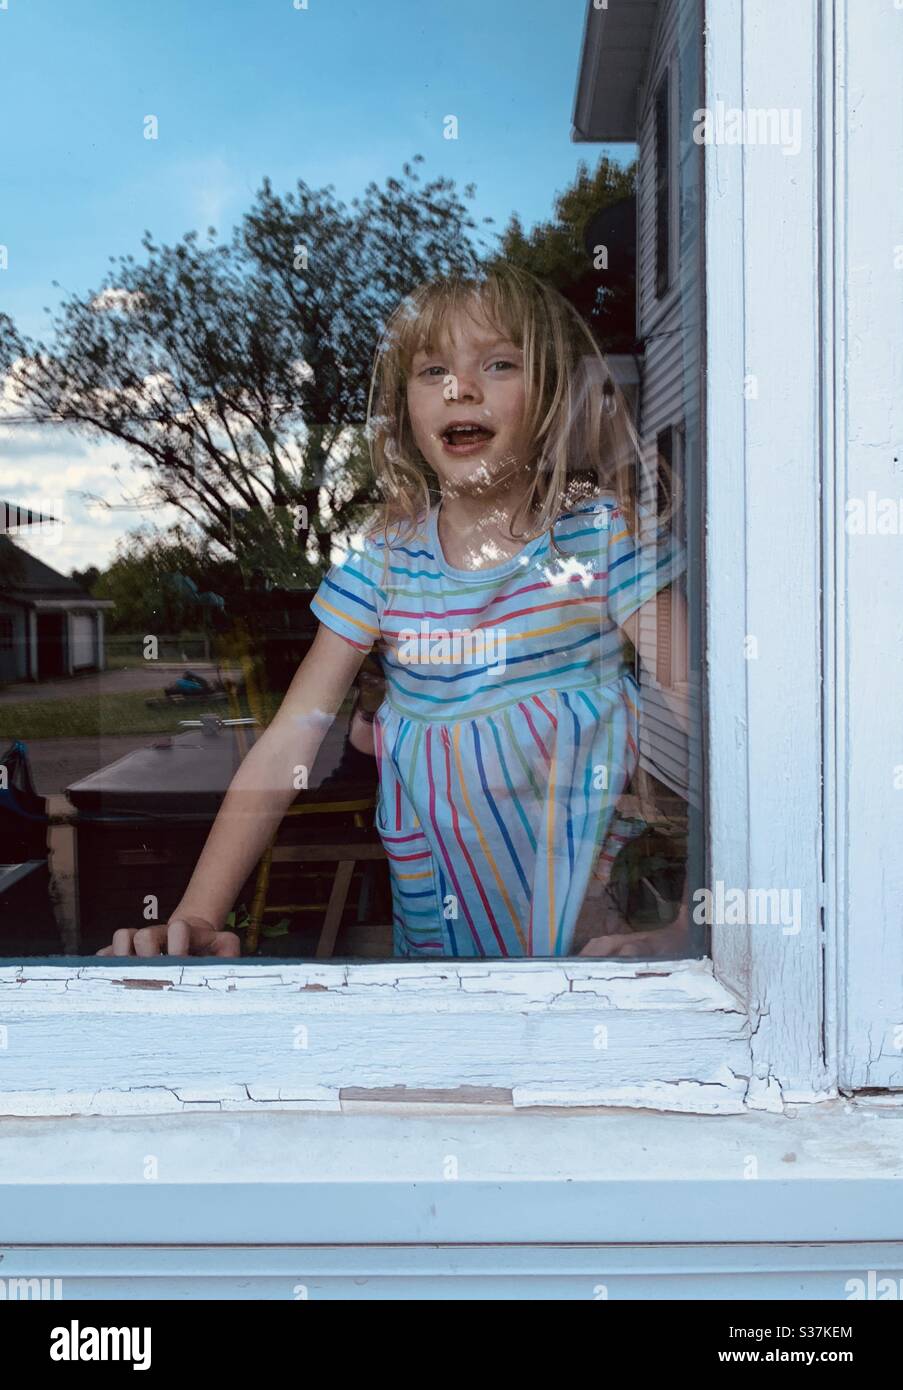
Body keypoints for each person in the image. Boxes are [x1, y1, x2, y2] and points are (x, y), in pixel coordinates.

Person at [99, 263, 689, 959]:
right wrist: (198, 915)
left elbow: (705, 710)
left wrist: (686, 929)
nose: (459, 387)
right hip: (443, 937)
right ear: (407, 412)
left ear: (554, 398)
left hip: (597, 929)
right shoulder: (384, 563)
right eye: (431, 370)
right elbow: (290, 740)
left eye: (498, 364)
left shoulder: (597, 538)